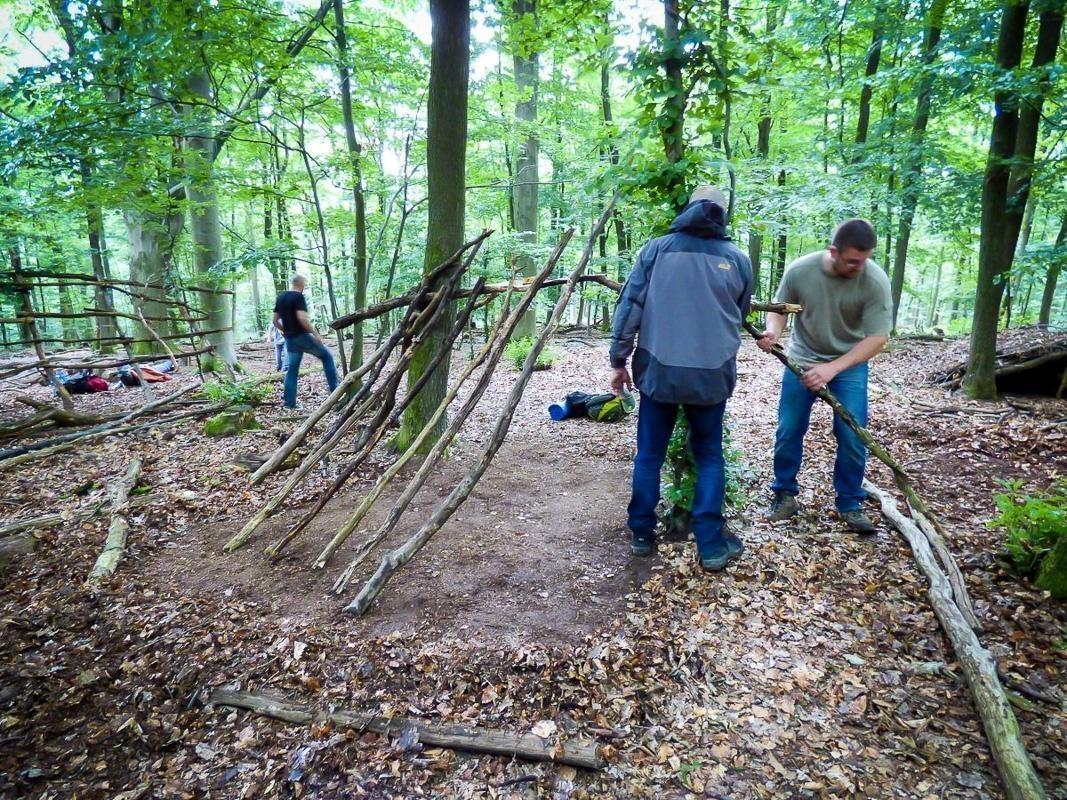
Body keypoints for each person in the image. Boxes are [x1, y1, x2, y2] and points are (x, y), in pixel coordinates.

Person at [610, 186, 754, 571]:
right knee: (709, 456)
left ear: (688, 208)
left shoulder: (656, 250)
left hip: (660, 371)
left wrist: (618, 360)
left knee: (649, 454)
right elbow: (739, 314)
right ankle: (710, 544)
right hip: (712, 374)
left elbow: (630, 306)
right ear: (723, 213)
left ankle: (642, 534)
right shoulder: (738, 259)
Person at [757, 218, 891, 533]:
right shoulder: (801, 271)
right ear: (833, 252)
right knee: (789, 429)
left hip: (849, 365)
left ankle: (850, 502)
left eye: (865, 259)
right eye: (853, 261)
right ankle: (784, 494)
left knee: (852, 434)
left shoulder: (874, 280)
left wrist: (832, 368)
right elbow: (779, 309)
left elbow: (877, 338)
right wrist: (773, 332)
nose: (860, 266)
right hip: (802, 359)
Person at [273, 274, 339, 409]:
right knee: (327, 356)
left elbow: (275, 320)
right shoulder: (298, 297)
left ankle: (289, 403)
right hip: (302, 336)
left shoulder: (281, 297)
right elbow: (302, 318)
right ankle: (335, 393)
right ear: (300, 284)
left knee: (292, 370)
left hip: (290, 340)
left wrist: (285, 331)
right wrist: (315, 334)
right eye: (304, 284)